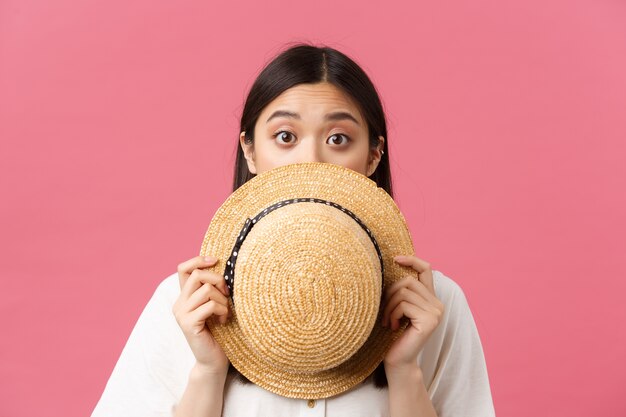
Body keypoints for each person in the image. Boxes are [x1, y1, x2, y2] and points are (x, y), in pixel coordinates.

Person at [91, 43, 496, 417]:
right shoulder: (187, 306)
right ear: (250, 150)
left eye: (339, 138)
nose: (311, 161)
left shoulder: (434, 306)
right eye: (285, 137)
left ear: (373, 156)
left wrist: (405, 370)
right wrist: (208, 371)